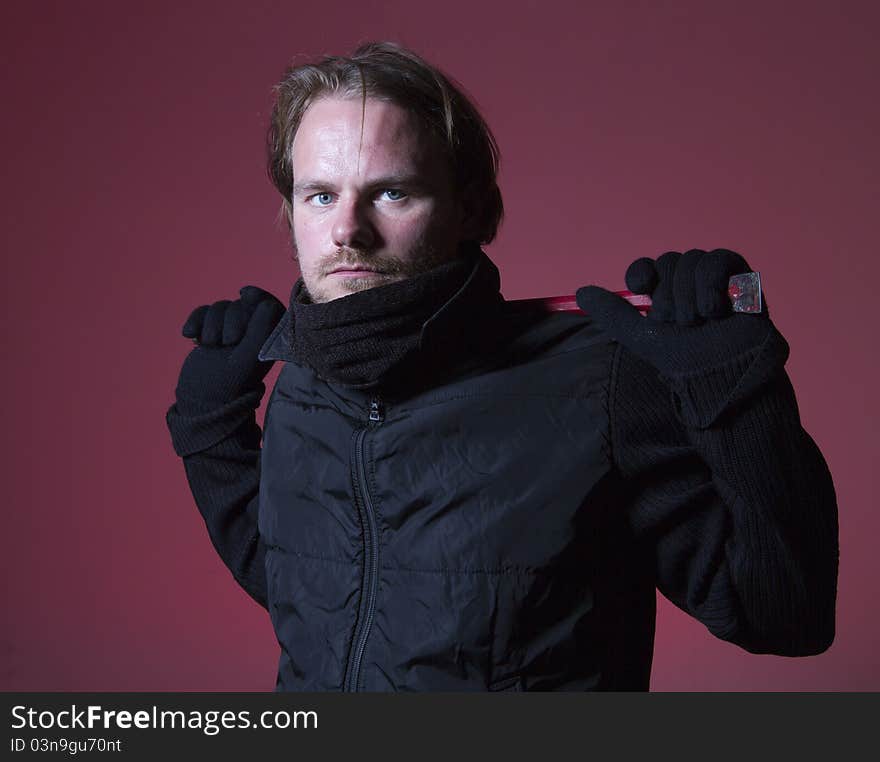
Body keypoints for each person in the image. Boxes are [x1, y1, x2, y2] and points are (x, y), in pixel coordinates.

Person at [166, 41, 839, 692]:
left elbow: (784, 616)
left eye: (392, 193)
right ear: (290, 215)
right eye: (320, 195)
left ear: (470, 210)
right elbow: (316, 595)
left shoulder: (599, 384)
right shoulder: (301, 386)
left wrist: (734, 391)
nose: (347, 230)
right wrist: (211, 428)